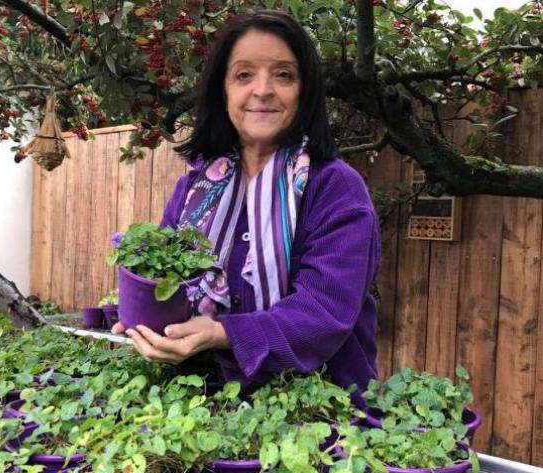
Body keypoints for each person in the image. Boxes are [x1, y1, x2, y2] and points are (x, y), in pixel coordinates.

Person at [113, 9, 380, 408]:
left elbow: (323, 313)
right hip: (207, 407)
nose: (263, 90)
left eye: (284, 75)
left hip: (322, 416)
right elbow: (169, 278)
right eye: (244, 74)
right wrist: (147, 320)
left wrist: (222, 333)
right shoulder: (196, 188)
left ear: (304, 91)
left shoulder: (335, 188)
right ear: (223, 91)